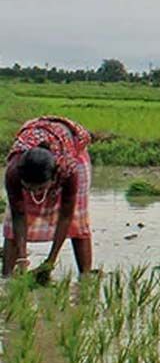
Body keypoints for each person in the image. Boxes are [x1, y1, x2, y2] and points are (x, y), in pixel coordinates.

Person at [3, 116, 93, 277]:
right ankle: (7, 277)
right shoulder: (14, 171)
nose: (35, 193)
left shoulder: (68, 170)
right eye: (28, 187)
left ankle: (85, 278)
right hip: (38, 162)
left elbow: (66, 216)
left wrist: (50, 262)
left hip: (73, 151)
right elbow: (18, 215)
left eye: (40, 188)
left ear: (53, 178)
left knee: (78, 223)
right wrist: (23, 259)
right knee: (11, 226)